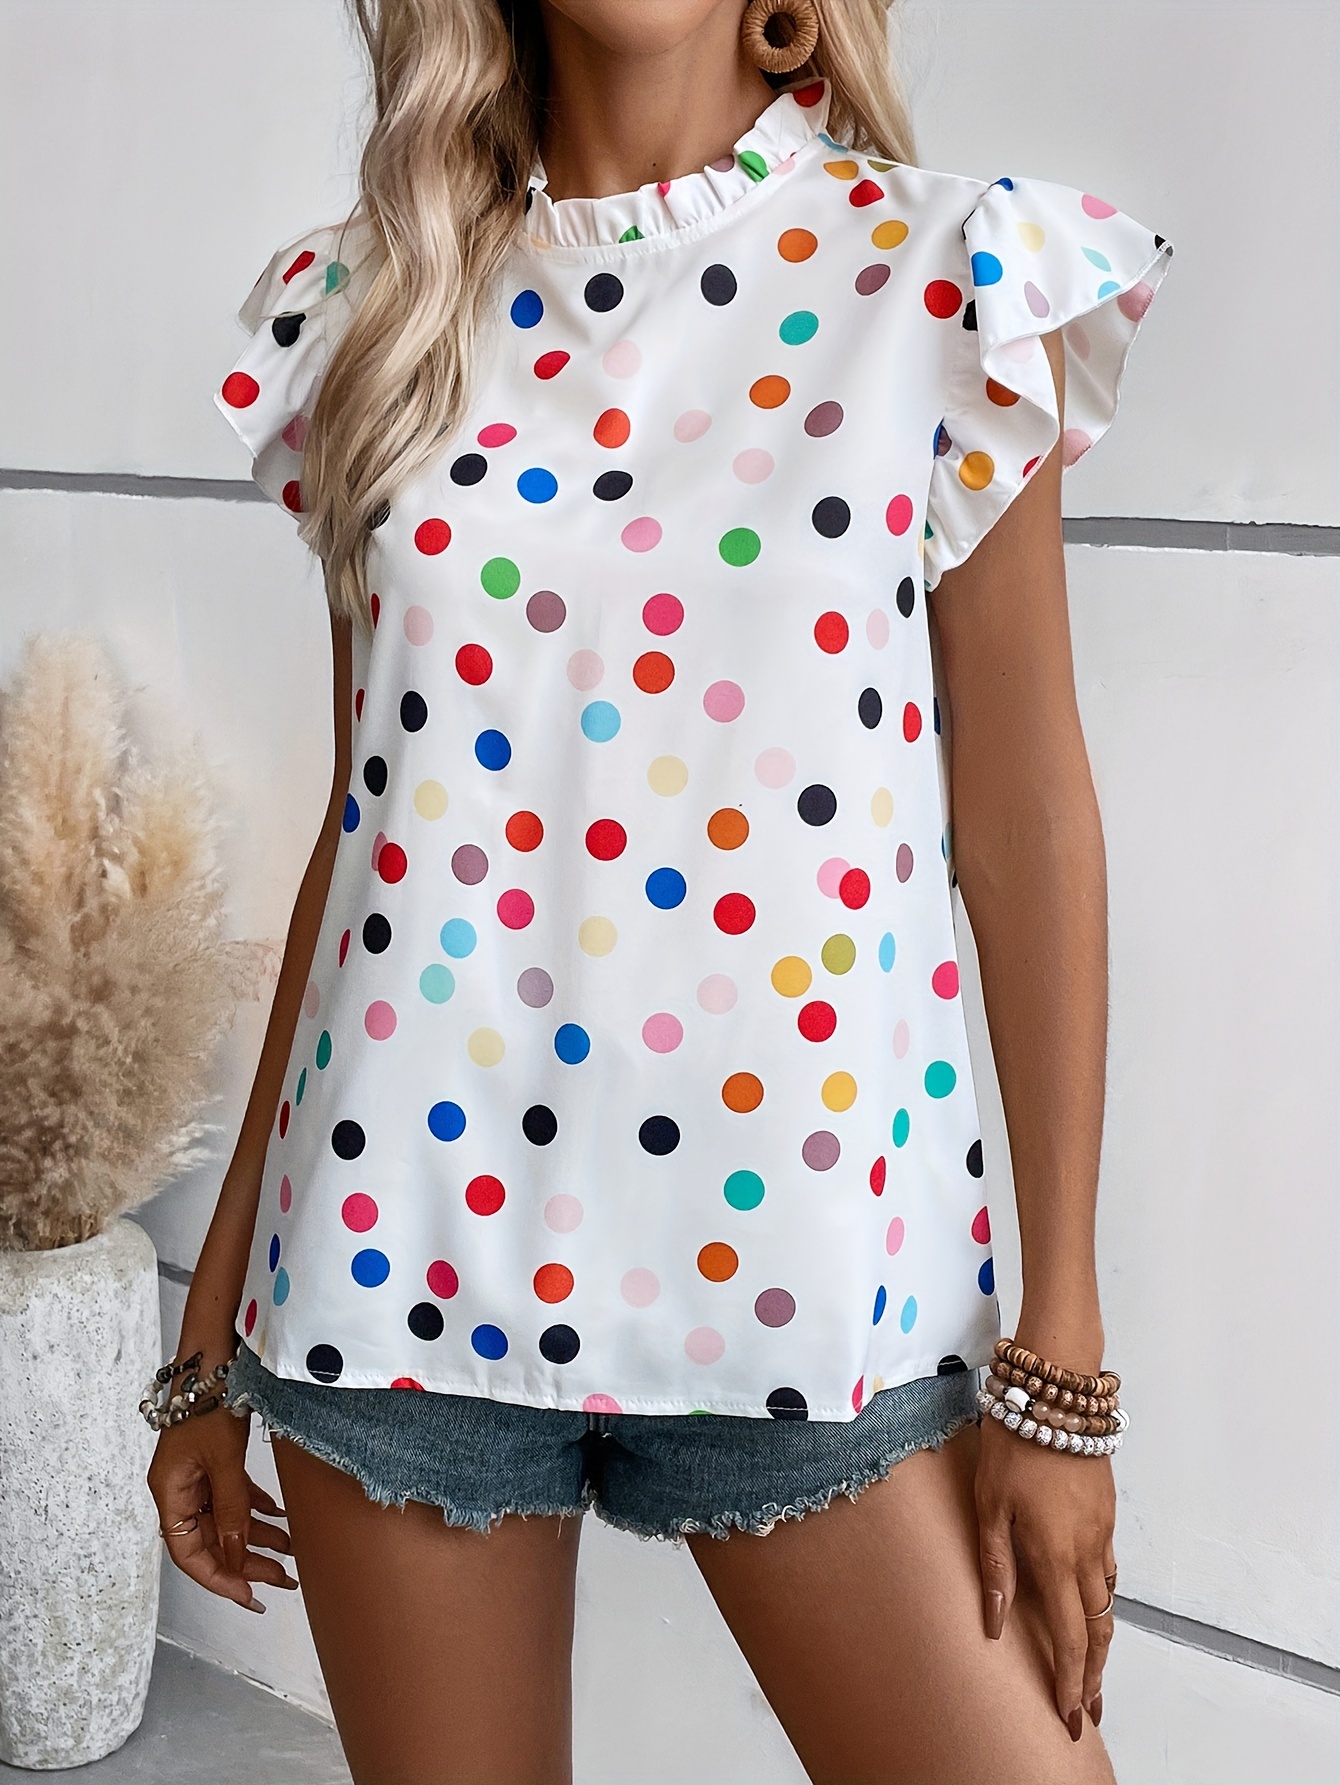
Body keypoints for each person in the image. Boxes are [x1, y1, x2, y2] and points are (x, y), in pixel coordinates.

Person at [145, 3, 1171, 1779]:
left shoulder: (945, 285)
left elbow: (1026, 822)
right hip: (395, 1269)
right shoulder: (380, 312)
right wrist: (214, 1317)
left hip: (819, 1288)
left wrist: (1060, 1366)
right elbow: (368, 835)